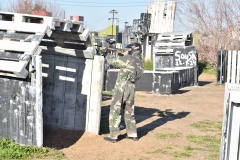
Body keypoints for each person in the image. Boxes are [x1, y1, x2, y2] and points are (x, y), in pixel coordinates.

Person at [104, 43, 144, 143]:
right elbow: (128, 65)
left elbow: (112, 61)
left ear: (133, 50)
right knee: (129, 111)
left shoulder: (129, 58)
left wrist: (107, 53)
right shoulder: (140, 62)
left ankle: (113, 136)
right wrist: (122, 55)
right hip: (131, 87)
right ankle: (132, 134)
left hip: (122, 86)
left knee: (115, 110)